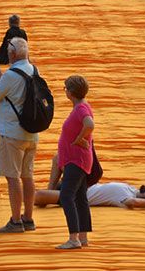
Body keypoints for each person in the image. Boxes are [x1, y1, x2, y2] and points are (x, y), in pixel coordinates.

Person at [0, 38, 38, 233]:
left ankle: (15, 221)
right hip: (31, 131)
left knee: (12, 177)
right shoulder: (33, 70)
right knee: (27, 176)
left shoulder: (11, 76)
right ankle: (28, 218)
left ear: (11, 54)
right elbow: (16, 89)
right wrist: (0, 76)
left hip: (12, 133)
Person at [54, 74, 95, 251]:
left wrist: (79, 138)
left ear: (70, 92)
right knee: (79, 196)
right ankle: (83, 236)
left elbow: (90, 124)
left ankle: (74, 238)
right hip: (78, 159)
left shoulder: (81, 109)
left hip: (76, 159)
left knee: (66, 195)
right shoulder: (82, 106)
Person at [36, 180, 145, 209]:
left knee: (38, 196)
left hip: (76, 196)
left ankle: (47, 196)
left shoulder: (128, 198)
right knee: (58, 159)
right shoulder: (133, 190)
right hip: (80, 185)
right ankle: (50, 193)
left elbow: (133, 203)